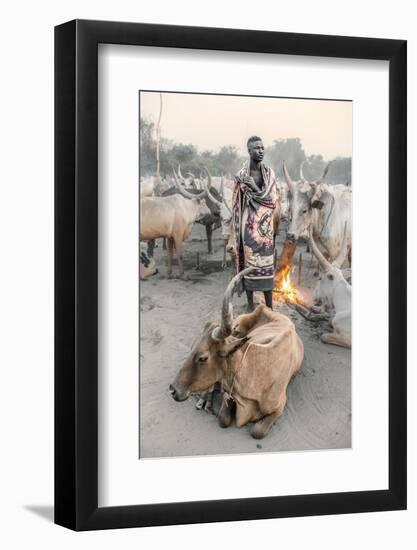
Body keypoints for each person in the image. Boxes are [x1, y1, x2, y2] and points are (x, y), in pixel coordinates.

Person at [232, 136, 278, 311]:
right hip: (248, 227)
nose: (260, 151)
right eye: (256, 148)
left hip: (265, 229)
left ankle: (270, 306)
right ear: (249, 151)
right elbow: (237, 203)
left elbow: (272, 201)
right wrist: (248, 185)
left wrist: (255, 188)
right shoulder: (241, 176)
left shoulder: (270, 174)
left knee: (266, 263)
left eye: (262, 147)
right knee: (249, 263)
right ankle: (250, 305)